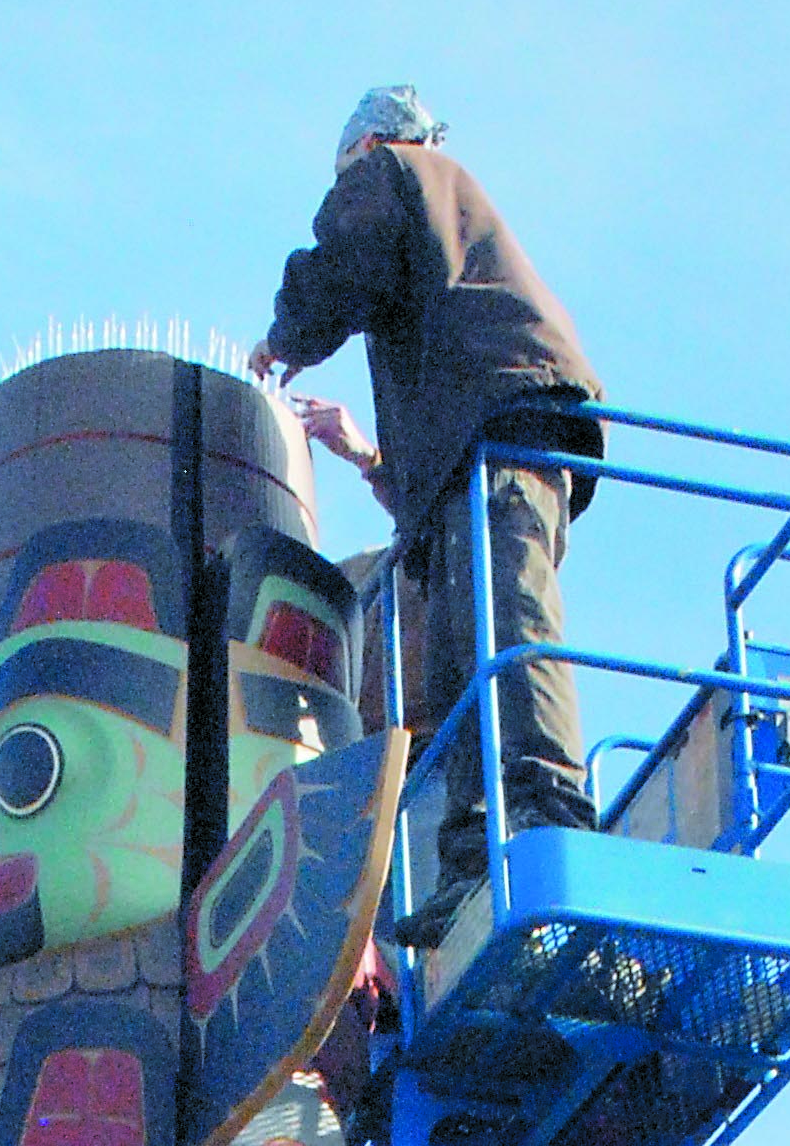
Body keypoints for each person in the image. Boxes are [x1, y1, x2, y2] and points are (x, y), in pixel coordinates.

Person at [249, 90, 604, 950]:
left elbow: (340, 269)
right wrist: (372, 458)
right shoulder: (435, 224)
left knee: (504, 622)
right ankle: (475, 855)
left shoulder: (396, 172)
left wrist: (281, 339)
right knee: (455, 659)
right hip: (477, 442)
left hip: (503, 430)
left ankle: (548, 809)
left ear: (368, 143)